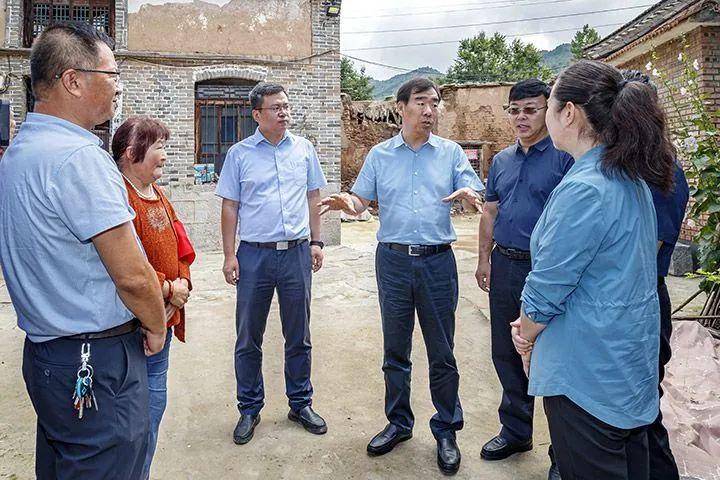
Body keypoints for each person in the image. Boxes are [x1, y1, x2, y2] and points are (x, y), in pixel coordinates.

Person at [0, 22, 166, 479]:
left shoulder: (21, 151)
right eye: (111, 75)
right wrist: (157, 322)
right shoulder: (78, 157)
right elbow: (131, 275)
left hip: (48, 355)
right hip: (96, 360)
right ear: (73, 80)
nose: (117, 89)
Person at [511, 60, 676, 479]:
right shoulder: (628, 176)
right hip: (625, 366)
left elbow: (549, 284)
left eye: (548, 105)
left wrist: (525, 334)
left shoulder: (586, 188)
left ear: (568, 113)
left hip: (588, 373)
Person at [318, 77, 484, 476]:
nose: (431, 111)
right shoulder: (380, 154)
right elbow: (362, 200)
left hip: (437, 263)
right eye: (423, 103)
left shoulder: (449, 153)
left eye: (436, 104)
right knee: (396, 349)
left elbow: (471, 185)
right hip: (392, 262)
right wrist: (349, 202)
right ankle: (399, 423)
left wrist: (469, 193)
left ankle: (446, 429)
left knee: (442, 350)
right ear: (402, 107)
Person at [216, 82, 328, 445]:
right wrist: (229, 254)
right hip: (254, 255)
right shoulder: (239, 154)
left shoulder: (304, 149)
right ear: (257, 114)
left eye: (286, 106)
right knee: (249, 336)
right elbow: (230, 205)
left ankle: (300, 402)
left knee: (299, 334)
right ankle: (249, 407)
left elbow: (314, 196)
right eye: (276, 107)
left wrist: (316, 241)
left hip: (296, 252)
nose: (284, 112)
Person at [474, 80, 573, 476]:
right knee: (506, 351)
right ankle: (516, 431)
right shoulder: (501, 160)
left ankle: (563, 455)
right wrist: (484, 259)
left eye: (530, 109)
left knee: (552, 356)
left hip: (548, 271)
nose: (521, 118)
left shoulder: (566, 159)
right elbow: (490, 213)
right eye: (514, 110)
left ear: (548, 110)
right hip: (506, 265)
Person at [112, 115, 194, 480]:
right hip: (135, 329)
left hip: (165, 317)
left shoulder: (157, 193)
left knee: (153, 412)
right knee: (131, 422)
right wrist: (167, 289)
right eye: (158, 146)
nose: (165, 154)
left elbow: (182, 247)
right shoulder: (120, 198)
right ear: (131, 153)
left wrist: (181, 289)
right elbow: (126, 266)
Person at [622, 69, 690, 480]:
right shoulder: (627, 168)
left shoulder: (662, 171)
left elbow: (646, 254)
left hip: (643, 302)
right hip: (628, 301)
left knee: (642, 412)